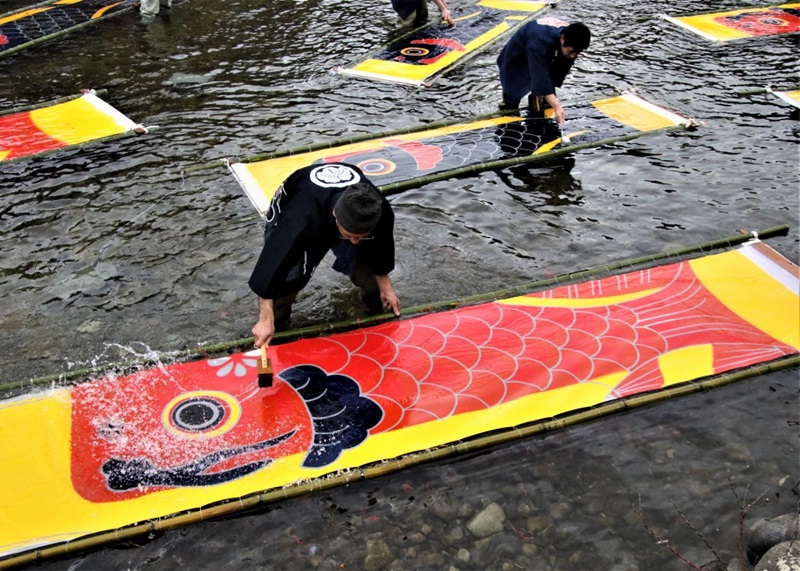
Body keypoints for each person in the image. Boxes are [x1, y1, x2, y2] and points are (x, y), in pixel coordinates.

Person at [249, 163, 401, 348]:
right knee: (285, 281)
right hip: (305, 206)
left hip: (347, 213)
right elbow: (272, 262)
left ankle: (374, 314)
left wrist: (387, 288)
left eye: (360, 237)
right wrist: (265, 317)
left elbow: (381, 249)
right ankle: (277, 329)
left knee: (367, 268)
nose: (354, 241)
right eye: (349, 236)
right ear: (335, 214)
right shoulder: (299, 220)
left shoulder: (379, 210)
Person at [497, 18, 591, 125]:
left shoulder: (572, 37)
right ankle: (508, 117)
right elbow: (540, 75)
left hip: (543, 50)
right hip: (518, 57)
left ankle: (538, 105)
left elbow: (559, 68)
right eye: (571, 51)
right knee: (513, 93)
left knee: (546, 89)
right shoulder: (538, 41)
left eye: (577, 52)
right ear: (562, 39)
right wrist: (557, 106)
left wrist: (549, 91)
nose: (573, 55)